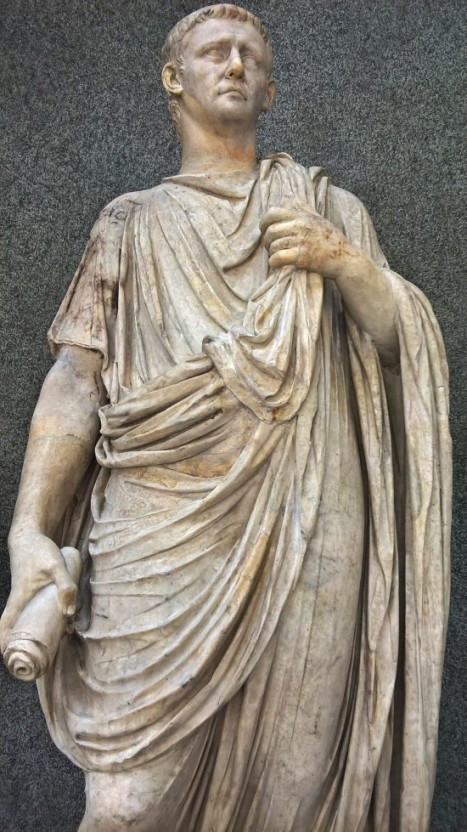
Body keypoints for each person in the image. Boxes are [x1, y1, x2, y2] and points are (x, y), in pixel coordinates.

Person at [0, 5, 451, 831]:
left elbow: (398, 346)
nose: (235, 64)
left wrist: (344, 264)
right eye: (214, 51)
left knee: (293, 790)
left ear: (271, 87)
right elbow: (76, 379)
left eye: (250, 53)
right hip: (157, 522)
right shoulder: (129, 222)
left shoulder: (326, 209)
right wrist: (29, 529)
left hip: (309, 513)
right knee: (124, 806)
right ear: (174, 79)